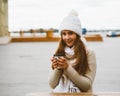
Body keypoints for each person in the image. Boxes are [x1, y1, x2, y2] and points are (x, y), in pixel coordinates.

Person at [49, 10, 97, 93]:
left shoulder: (89, 53)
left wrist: (67, 67)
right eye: (64, 34)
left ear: (77, 35)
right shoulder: (59, 52)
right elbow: (52, 84)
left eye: (70, 33)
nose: (67, 38)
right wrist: (58, 68)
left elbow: (86, 86)